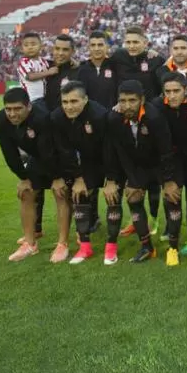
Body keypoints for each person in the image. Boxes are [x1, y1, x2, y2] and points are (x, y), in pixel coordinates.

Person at [102, 80, 178, 264]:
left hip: (160, 163)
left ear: (142, 100)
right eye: (123, 101)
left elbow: (166, 151)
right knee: (133, 197)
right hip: (137, 165)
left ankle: (173, 249)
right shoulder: (114, 119)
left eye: (132, 100)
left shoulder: (154, 117)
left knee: (172, 196)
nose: (127, 105)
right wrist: (116, 180)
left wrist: (168, 181)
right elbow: (114, 150)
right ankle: (146, 247)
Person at [47, 80, 108, 264]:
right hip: (71, 160)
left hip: (97, 159)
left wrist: (106, 178)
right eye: (65, 102)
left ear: (86, 99)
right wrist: (77, 177)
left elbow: (105, 150)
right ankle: (69, 241)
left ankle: (86, 232)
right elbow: (63, 150)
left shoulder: (99, 116)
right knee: (68, 192)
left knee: (86, 191)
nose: (69, 106)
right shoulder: (56, 117)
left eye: (74, 101)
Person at [0, 87, 55, 262]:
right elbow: (9, 152)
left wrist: (57, 178)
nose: (12, 114)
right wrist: (24, 178)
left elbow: (49, 153)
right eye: (8, 109)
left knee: (62, 192)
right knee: (26, 193)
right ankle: (30, 243)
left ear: (29, 106)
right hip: (36, 157)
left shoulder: (42, 118)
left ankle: (69, 241)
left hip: (58, 157)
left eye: (17, 109)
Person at [150, 72, 187, 265]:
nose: (172, 95)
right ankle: (172, 248)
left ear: (186, 90)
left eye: (176, 91)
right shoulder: (156, 106)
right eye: (168, 91)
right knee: (172, 196)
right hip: (169, 158)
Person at [108, 26, 165, 100]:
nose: (131, 46)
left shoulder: (156, 60)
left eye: (135, 42)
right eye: (128, 42)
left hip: (148, 109)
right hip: (123, 108)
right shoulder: (118, 56)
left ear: (145, 43)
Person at [78, 31, 118, 109]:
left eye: (100, 45)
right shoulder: (81, 69)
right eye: (93, 45)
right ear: (88, 47)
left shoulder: (115, 67)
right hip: (88, 118)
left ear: (107, 46)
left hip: (111, 117)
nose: (96, 49)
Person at [42, 33, 79, 112]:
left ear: (73, 52)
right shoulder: (43, 67)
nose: (60, 53)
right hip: (43, 120)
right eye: (57, 49)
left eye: (65, 50)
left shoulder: (78, 71)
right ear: (53, 49)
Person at [16, 32, 51, 105]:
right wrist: (49, 72)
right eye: (26, 45)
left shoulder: (44, 61)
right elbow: (30, 76)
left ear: (41, 46)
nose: (30, 47)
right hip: (31, 100)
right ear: (22, 49)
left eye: (33, 44)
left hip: (45, 99)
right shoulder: (24, 62)